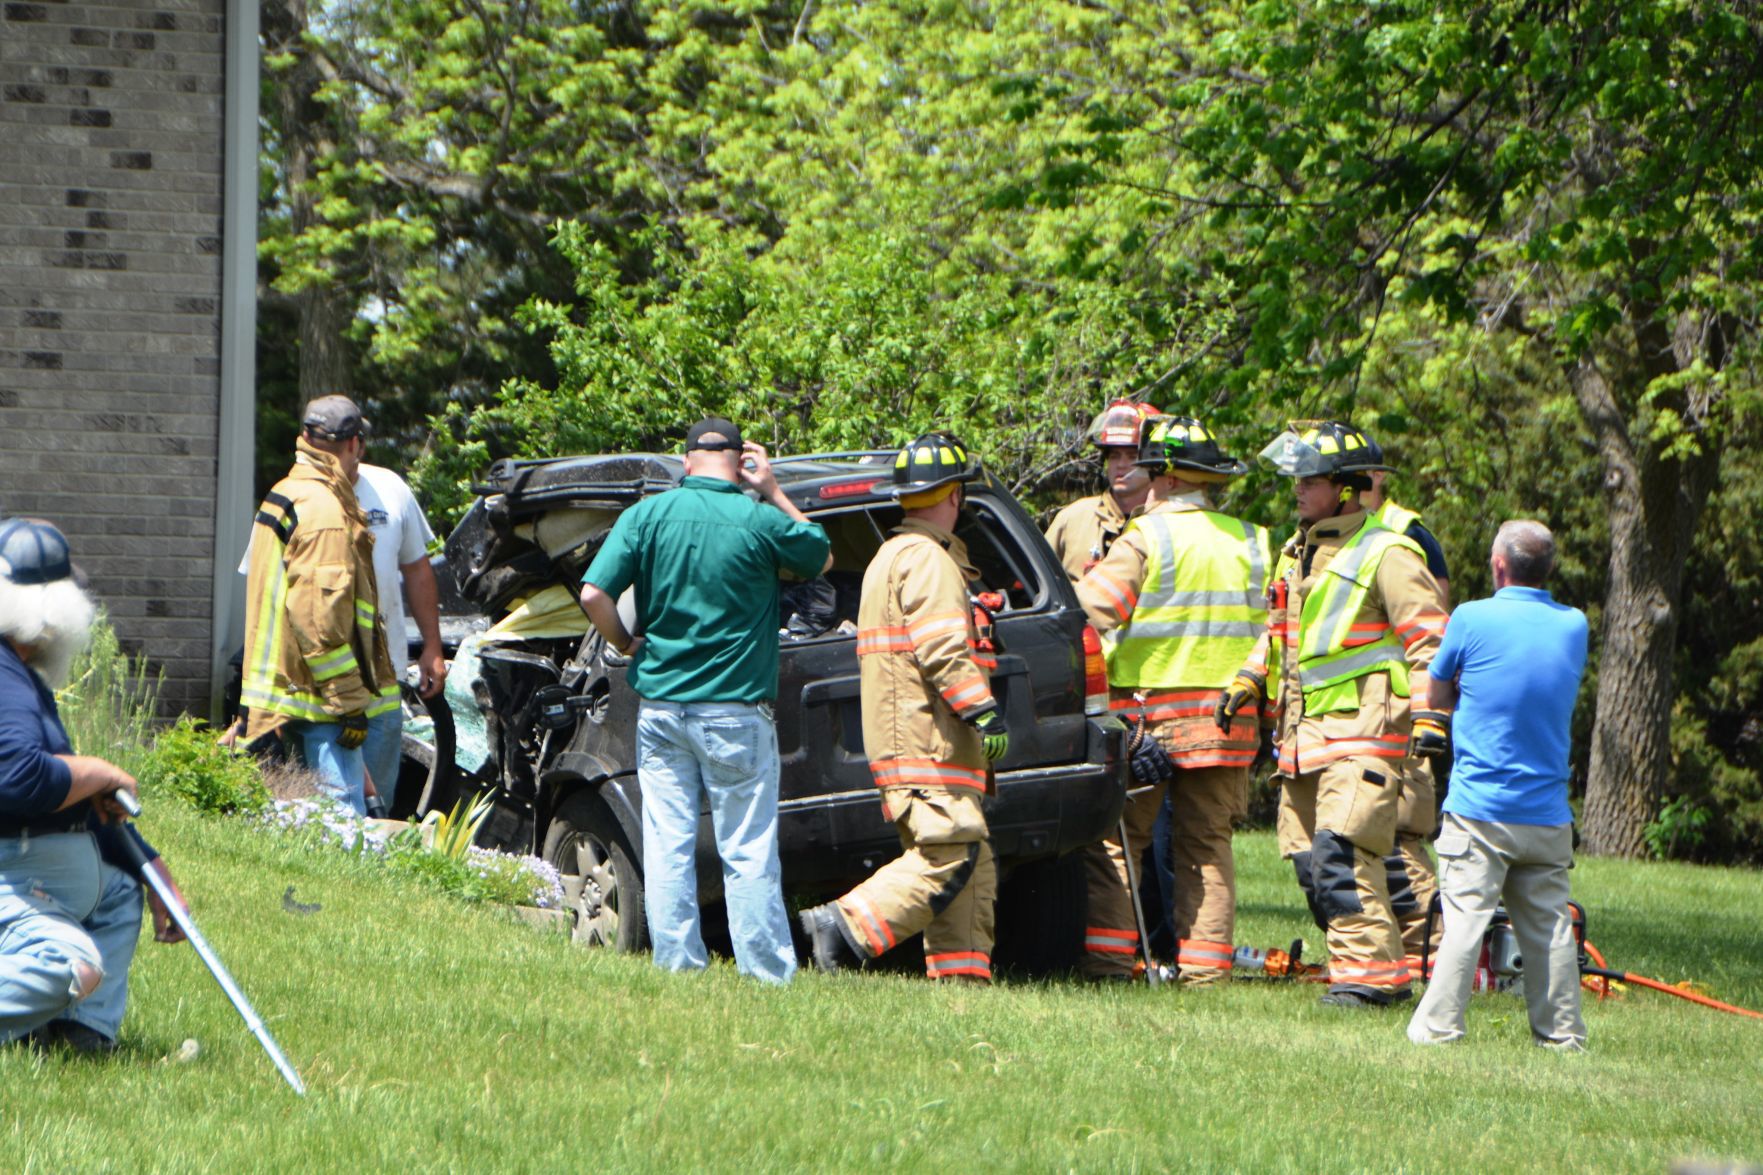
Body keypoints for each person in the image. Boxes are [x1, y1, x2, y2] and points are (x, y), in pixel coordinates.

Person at [578, 418, 831, 985]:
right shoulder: (758, 519)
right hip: (735, 713)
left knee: (668, 842)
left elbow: (593, 593)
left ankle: (678, 969)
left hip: (663, 708)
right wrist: (771, 490)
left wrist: (623, 642)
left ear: (685, 460)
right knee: (746, 848)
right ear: (741, 460)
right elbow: (821, 554)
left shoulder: (646, 516)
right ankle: (765, 975)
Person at [1224, 422, 1449, 1007]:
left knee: (1342, 856)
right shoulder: (1296, 553)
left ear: (1346, 489)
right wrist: (1252, 675)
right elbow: (1281, 635)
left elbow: (1431, 641)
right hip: (1302, 740)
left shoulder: (1388, 553)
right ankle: (1383, 969)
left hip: (1365, 733)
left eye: (1311, 478)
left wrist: (1430, 718)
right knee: (1309, 864)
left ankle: (1369, 982)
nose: (1297, 487)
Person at [798, 433, 1007, 983]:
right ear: (955, 495)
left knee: (971, 863)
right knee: (948, 857)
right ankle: (843, 927)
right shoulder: (928, 560)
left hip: (915, 742)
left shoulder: (890, 556)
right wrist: (982, 711)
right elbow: (944, 650)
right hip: (930, 744)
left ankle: (962, 982)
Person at [1074, 417, 1269, 983]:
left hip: (1148, 724)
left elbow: (1090, 612)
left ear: (1157, 475)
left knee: (1119, 843)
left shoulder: (1145, 537)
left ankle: (1109, 964)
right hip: (1226, 722)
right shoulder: (1253, 540)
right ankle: (1206, 974)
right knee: (1207, 846)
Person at [0, 518, 187, 1052]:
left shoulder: (16, 673)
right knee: (70, 965)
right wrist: (101, 771)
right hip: (13, 873)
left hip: (36, 863)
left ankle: (77, 1035)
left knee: (120, 892)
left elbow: (67, 797)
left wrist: (151, 871)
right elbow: (21, 780)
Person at [1408, 521, 1589, 1050]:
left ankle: (1437, 1030)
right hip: (1548, 812)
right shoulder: (1573, 625)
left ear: (1498, 566)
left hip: (1481, 811)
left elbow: (1436, 695)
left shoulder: (1470, 617)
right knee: (1550, 928)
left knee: (1465, 922)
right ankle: (1562, 1037)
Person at [233, 396, 448, 813]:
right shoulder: (327, 512)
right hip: (327, 699)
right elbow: (319, 621)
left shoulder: (284, 494)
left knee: (308, 818)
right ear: (354, 444)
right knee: (346, 823)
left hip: (299, 695)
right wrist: (348, 703)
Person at [1364, 449, 1453, 978]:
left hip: (1401, 719)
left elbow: (1433, 627)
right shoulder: (1338, 533)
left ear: (1376, 478)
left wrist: (1426, 714)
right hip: (1353, 720)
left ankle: (1439, 963)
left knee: (1400, 844)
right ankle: (1400, 960)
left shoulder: (1405, 534)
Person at [1045, 399, 1163, 582]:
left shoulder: (1164, 524)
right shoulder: (1073, 518)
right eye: (1115, 456)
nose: (1121, 465)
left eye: (1132, 456)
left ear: (1152, 465)